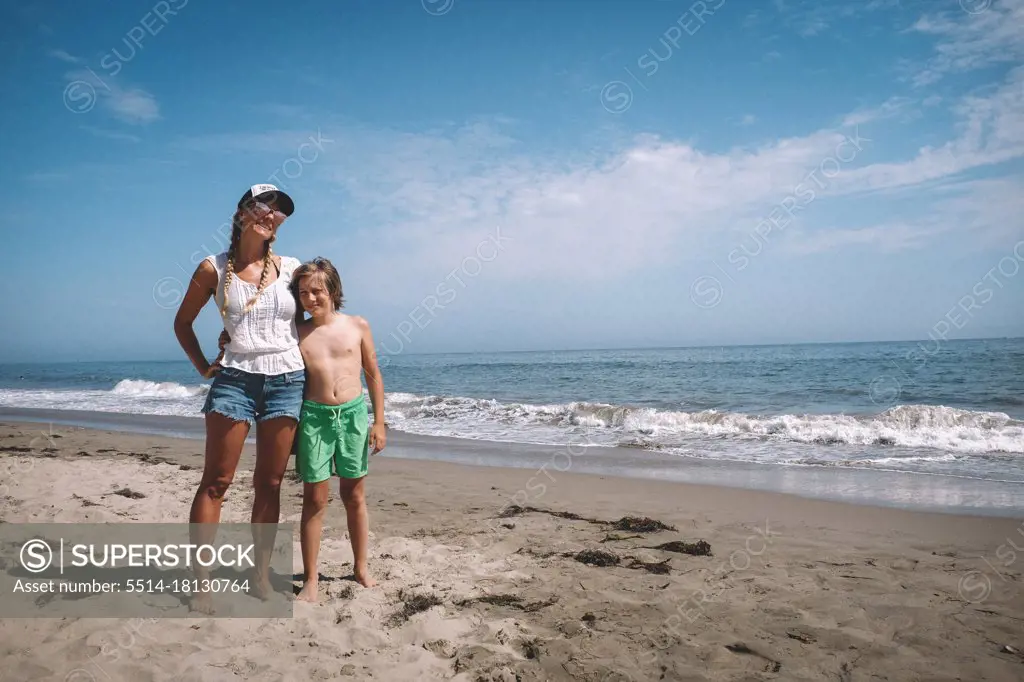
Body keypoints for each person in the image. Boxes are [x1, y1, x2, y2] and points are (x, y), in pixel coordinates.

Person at [173, 184, 305, 613]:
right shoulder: (213, 268)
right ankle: (202, 583)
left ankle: (261, 574)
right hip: (234, 381)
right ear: (244, 211)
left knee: (269, 482)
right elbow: (183, 322)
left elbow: (310, 322)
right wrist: (203, 367)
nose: (274, 215)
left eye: (281, 211)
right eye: (266, 206)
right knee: (217, 482)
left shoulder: (292, 268)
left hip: (287, 380)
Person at [289, 257, 386, 601]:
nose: (310, 299)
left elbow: (373, 373)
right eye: (303, 293)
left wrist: (379, 421)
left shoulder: (357, 325)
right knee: (314, 499)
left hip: (354, 415)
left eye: (317, 291)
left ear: (333, 290)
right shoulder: (295, 331)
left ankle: (360, 567)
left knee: (354, 495)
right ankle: (311, 578)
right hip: (314, 417)